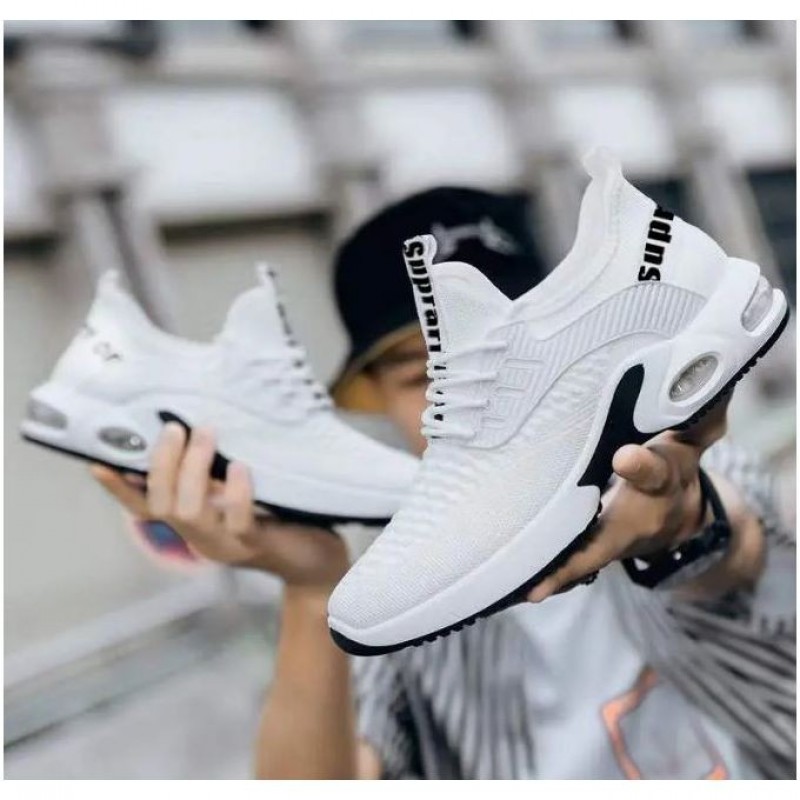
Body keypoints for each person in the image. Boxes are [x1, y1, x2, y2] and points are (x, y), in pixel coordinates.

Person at [91, 187, 794, 779]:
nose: (468, 404)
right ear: (380, 398)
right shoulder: (400, 593)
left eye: (497, 368)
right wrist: (310, 588)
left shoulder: (691, 466)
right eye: (428, 377)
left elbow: (740, 540)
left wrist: (681, 530)